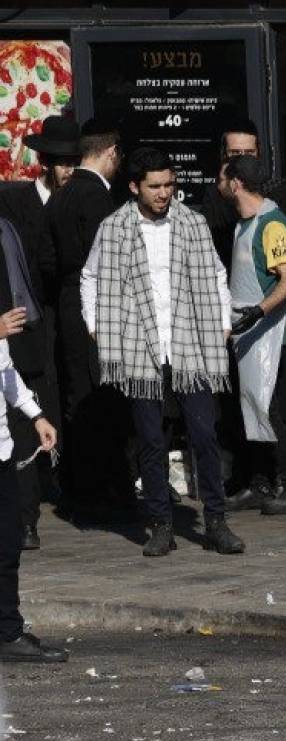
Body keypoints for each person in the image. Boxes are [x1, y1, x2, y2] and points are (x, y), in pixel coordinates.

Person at [82, 147, 242, 557]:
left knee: (204, 434)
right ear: (135, 186)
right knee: (151, 440)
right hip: (139, 342)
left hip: (190, 340)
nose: (164, 193)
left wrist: (222, 319)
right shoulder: (113, 228)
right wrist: (96, 326)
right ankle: (161, 524)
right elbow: (91, 276)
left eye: (170, 184)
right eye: (155, 186)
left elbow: (216, 273)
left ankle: (216, 521)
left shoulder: (192, 223)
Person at [220, 154, 286, 517]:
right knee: (250, 407)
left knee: (268, 409)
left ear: (236, 184)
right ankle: (259, 483)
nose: (218, 184)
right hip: (244, 332)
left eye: (222, 178)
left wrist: (258, 311)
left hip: (266, 333)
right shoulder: (243, 223)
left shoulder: (272, 224)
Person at [47, 115, 127, 519]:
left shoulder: (60, 196)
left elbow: (48, 258)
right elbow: (106, 262)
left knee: (78, 392)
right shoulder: (95, 197)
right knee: (99, 397)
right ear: (111, 152)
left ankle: (82, 486)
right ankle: (99, 488)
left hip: (66, 303)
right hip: (91, 305)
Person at [0, 115, 70, 549]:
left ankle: (54, 491)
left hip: (47, 326)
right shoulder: (14, 203)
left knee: (42, 413)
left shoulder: (77, 201)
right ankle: (26, 519)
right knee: (20, 423)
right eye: (61, 161)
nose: (68, 169)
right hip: (19, 328)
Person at [0, 335, 61, 661]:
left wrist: (37, 416)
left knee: (8, 545)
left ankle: (8, 633)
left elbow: (8, 373)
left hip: (2, 450)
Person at [195, 117, 286, 268]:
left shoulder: (277, 189)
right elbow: (206, 245)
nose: (243, 160)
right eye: (235, 153)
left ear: (259, 153)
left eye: (249, 153)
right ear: (224, 155)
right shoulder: (215, 193)